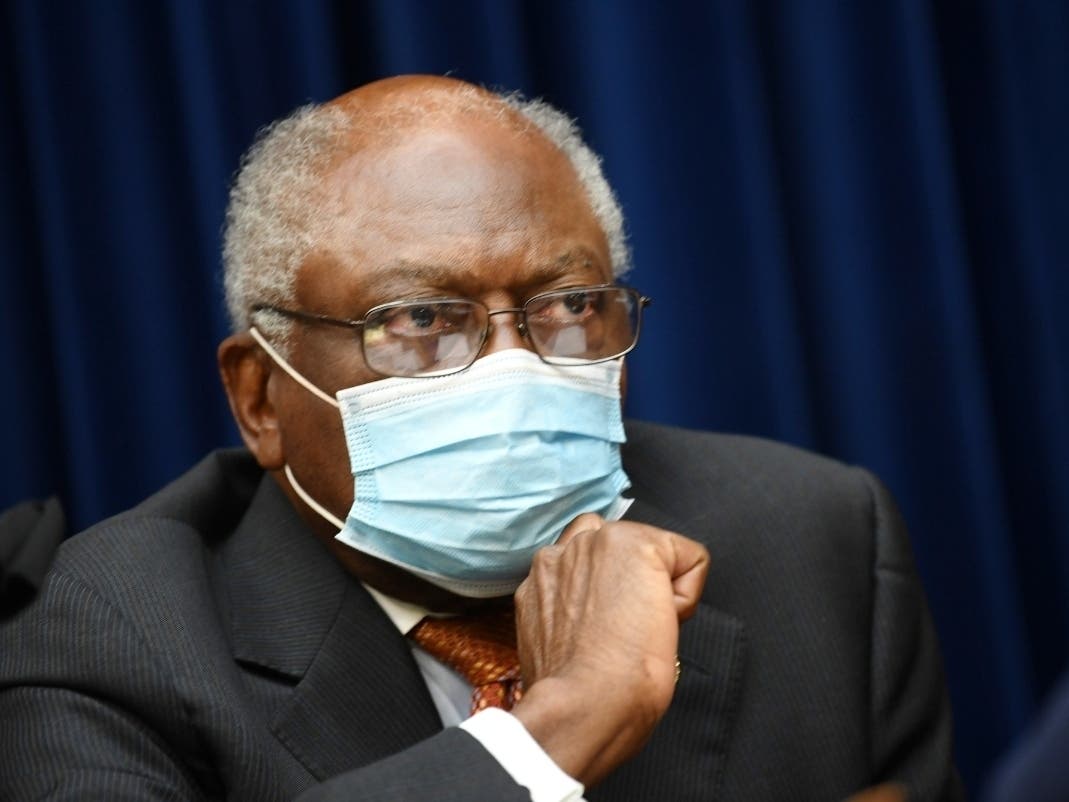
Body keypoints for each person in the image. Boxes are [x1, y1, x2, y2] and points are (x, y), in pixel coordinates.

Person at [0, 75, 962, 801]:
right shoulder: (108, 639)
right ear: (259, 396)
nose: (517, 366)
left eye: (569, 305)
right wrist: (549, 736)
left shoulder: (818, 540)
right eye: (418, 320)